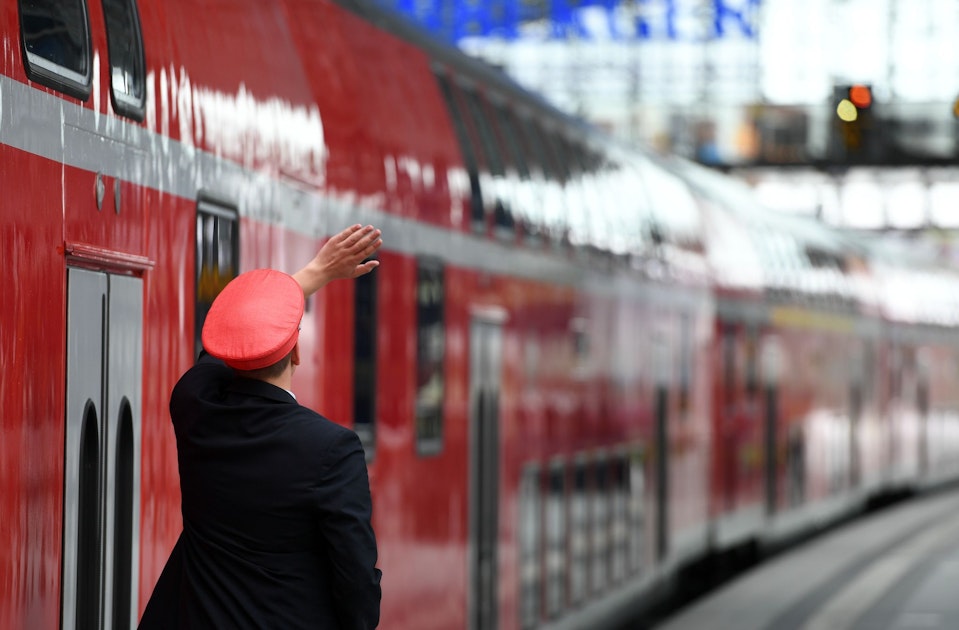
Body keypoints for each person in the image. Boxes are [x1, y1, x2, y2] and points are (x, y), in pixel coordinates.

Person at [139, 224, 384, 630]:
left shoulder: (195, 409)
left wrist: (313, 274)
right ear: (298, 352)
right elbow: (358, 593)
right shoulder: (332, 450)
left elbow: (219, 352)